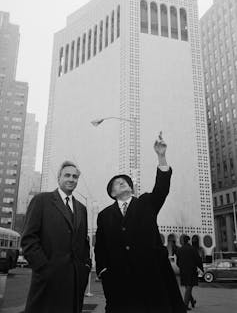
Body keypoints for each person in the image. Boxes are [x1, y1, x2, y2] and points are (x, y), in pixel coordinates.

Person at [95, 132, 187, 313]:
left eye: (125, 182)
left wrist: (161, 156)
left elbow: (162, 188)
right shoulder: (105, 215)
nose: (121, 183)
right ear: (112, 193)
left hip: (152, 278)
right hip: (120, 282)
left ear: (131, 188)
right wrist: (103, 271)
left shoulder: (146, 203)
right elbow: (100, 247)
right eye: (117, 183)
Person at [21, 161, 91, 313]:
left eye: (75, 176)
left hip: (74, 282)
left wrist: (85, 267)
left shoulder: (82, 208)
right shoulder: (41, 201)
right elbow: (28, 239)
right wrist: (44, 268)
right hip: (48, 280)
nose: (71, 179)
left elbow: (84, 242)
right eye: (67, 175)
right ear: (59, 178)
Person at [176, 235, 204, 311]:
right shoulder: (192, 249)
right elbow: (198, 259)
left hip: (183, 271)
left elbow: (177, 262)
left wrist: (182, 267)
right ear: (188, 241)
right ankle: (185, 305)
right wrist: (201, 268)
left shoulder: (179, 250)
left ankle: (192, 301)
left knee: (187, 287)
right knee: (189, 287)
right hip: (191, 271)